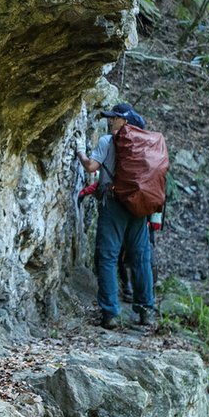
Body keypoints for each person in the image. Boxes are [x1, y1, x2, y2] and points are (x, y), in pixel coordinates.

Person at [76, 102, 155, 330]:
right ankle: (145, 311)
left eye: (115, 118)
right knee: (141, 258)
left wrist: (80, 152)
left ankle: (110, 313)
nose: (110, 121)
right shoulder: (146, 144)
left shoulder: (107, 141)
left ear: (125, 122)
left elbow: (91, 167)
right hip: (139, 206)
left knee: (108, 256)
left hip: (114, 204)